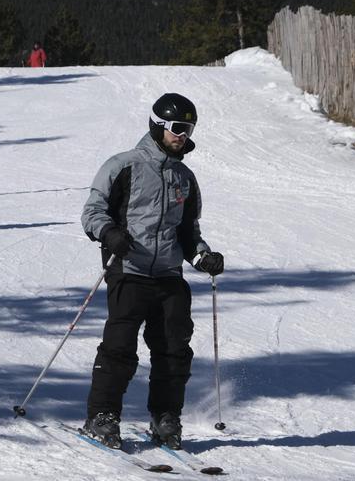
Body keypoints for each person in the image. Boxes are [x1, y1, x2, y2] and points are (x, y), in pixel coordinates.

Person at [79, 93, 225, 450]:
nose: (183, 134)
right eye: (177, 127)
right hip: (128, 270)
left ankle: (165, 417)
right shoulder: (122, 166)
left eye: (188, 128)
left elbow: (188, 232)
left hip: (169, 275)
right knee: (120, 347)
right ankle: (103, 415)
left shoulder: (185, 178)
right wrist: (110, 233)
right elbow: (92, 213)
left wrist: (203, 257)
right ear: (158, 125)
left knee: (174, 350)